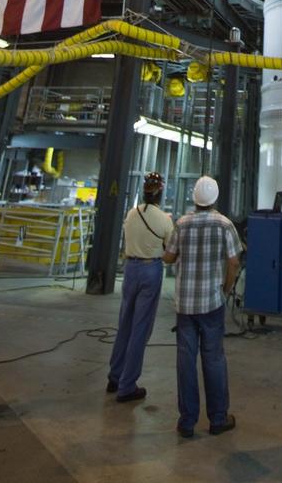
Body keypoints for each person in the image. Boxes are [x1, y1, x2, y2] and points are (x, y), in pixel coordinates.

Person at [163, 175, 241, 438]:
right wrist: (226, 289)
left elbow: (169, 257)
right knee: (214, 359)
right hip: (211, 302)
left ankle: (187, 422)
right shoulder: (224, 224)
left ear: (194, 198)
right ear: (215, 198)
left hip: (185, 305)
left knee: (185, 361)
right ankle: (218, 419)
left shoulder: (181, 224)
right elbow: (233, 262)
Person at [107, 171, 173, 403]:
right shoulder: (164, 219)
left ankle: (114, 376)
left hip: (130, 270)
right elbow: (170, 248)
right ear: (160, 192)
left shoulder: (131, 214)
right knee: (140, 329)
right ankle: (127, 386)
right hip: (150, 270)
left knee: (124, 323)